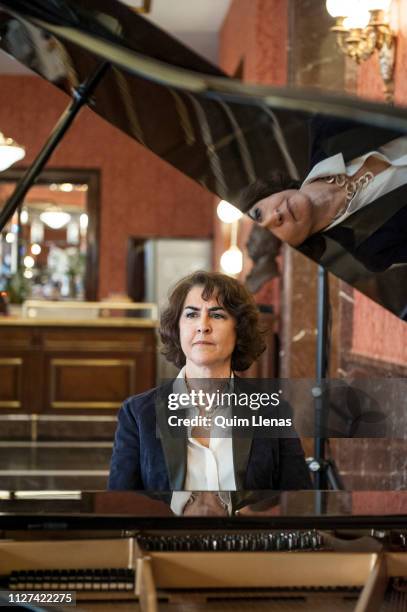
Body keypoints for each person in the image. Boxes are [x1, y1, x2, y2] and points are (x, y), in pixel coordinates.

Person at [108, 270, 312, 515]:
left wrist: (243, 511)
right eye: (192, 314)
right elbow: (120, 507)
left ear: (239, 330)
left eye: (217, 315)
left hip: (247, 548)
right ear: (177, 327)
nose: (203, 326)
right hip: (166, 547)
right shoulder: (138, 413)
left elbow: (300, 503)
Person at [241, 118, 407, 273]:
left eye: (258, 213)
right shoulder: (374, 252)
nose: (275, 216)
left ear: (266, 194)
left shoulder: (325, 124)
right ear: (294, 250)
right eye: (273, 238)